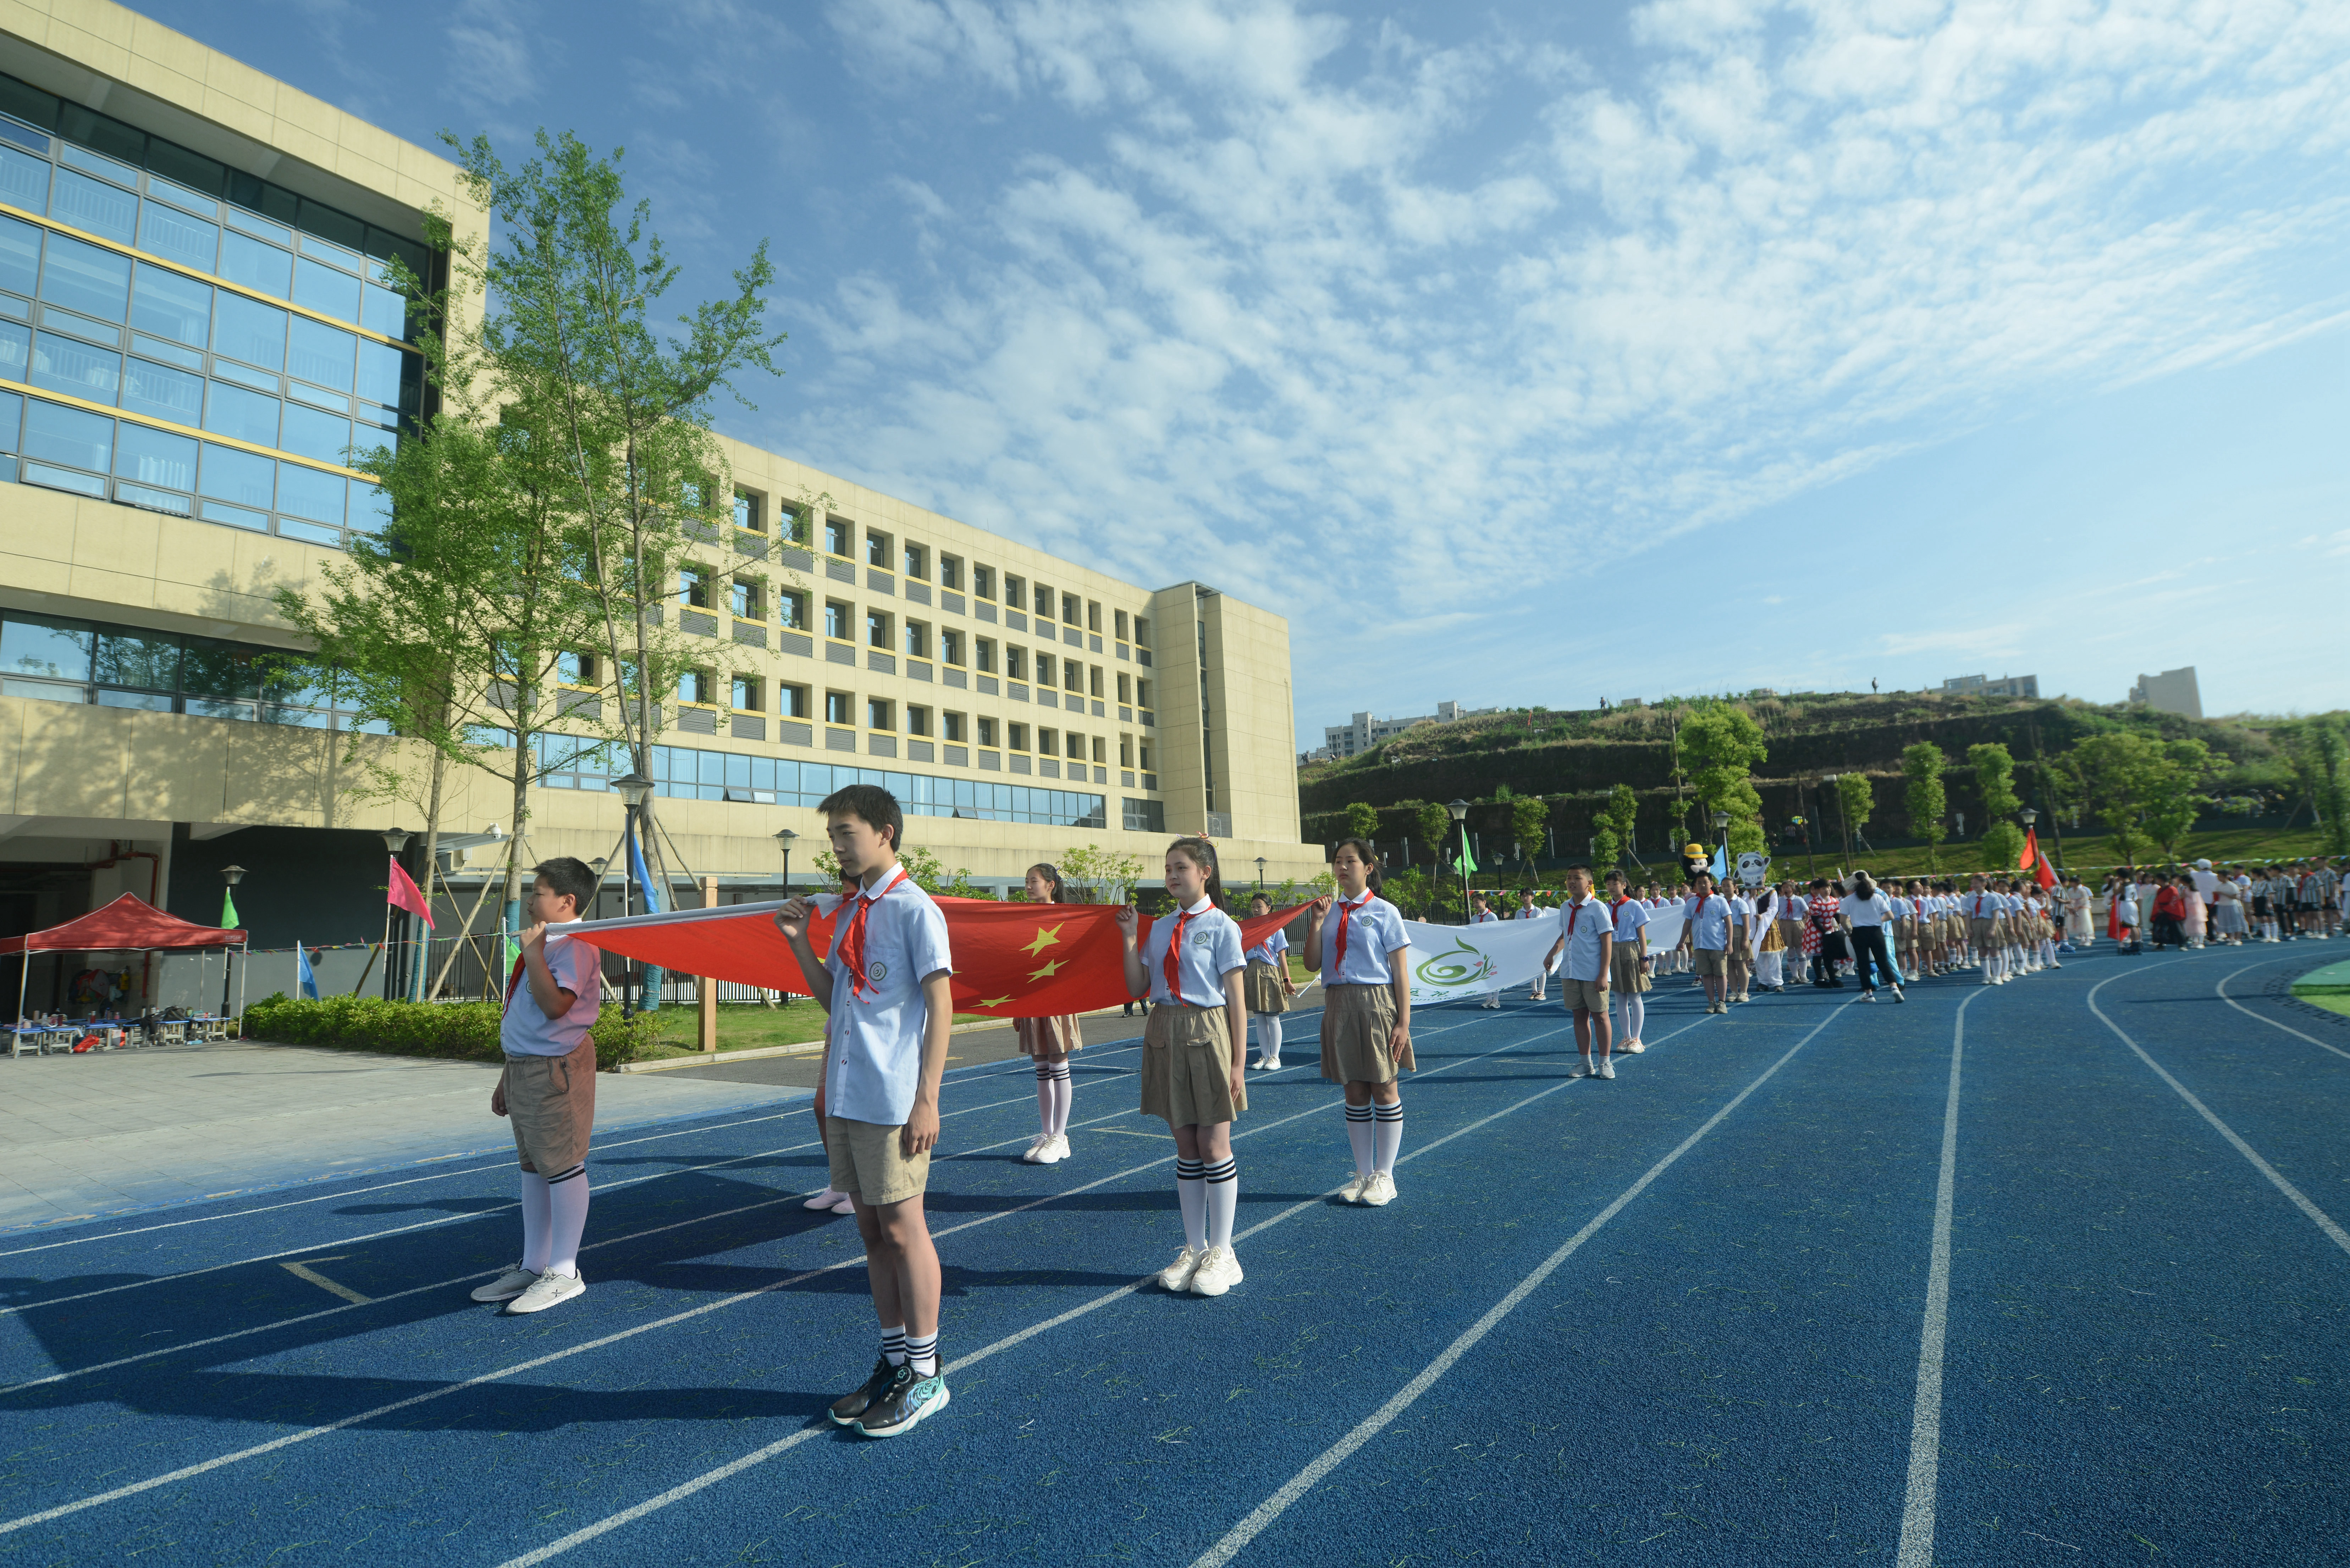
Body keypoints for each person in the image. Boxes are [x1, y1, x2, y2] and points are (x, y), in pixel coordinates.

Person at [774, 785, 956, 1440]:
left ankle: (926, 1373)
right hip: (849, 1092)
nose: (837, 846)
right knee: (872, 1232)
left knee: (905, 1230)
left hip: (893, 1098)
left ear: (884, 832)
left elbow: (942, 1007)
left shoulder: (914, 909)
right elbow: (839, 1000)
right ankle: (894, 1361)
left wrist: (927, 1098)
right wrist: (799, 942)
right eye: (832, 836)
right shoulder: (853, 912)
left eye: (846, 833)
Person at [472, 857, 604, 1315]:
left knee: (562, 1166)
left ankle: (564, 1271)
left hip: (556, 1068)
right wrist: (507, 1075)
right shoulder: (548, 942)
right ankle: (534, 1264)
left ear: (567, 901)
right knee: (533, 1167)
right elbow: (525, 1017)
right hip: (525, 1067)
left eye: (539, 892)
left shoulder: (575, 945)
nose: (530, 900)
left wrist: (532, 953)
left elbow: (554, 1007)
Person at [1118, 837, 1250, 1295]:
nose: (1172, 875)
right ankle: (1194, 1247)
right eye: (1168, 868)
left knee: (1214, 1144)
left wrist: (1238, 1063)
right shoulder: (1160, 928)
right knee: (1187, 1145)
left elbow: (1237, 1001)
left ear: (1205, 872)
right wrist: (1129, 937)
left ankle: (1224, 1252)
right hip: (1165, 1029)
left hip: (1207, 1030)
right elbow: (1137, 986)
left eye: (1181, 867)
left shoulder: (1222, 926)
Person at [1303, 837, 1413, 1206]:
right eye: (1338, 861)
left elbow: (1400, 972)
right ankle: (1363, 1173)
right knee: (1354, 1091)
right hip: (1339, 1002)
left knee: (1383, 1087)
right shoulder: (1329, 912)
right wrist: (1317, 922)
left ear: (1369, 867)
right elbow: (1312, 963)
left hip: (1376, 1002)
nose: (1342, 867)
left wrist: (1403, 1022)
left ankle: (1386, 1174)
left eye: (1350, 860)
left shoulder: (1385, 911)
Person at [800, 874, 867, 1217]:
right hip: (839, 1029)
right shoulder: (844, 918)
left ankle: (859, 1188)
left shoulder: (896, 911)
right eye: (842, 888)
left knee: (857, 1113)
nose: (843, 895)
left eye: (850, 888)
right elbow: (830, 979)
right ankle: (841, 1182)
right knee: (823, 1105)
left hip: (870, 1033)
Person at [1016, 862, 1084, 1165]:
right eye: (1027, 881)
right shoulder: (1023, 919)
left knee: (1059, 1065)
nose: (1029, 886)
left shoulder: (1066, 917)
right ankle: (1046, 1133)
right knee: (1041, 1069)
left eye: (1034, 881)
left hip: (1057, 1001)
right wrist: (1017, 1006)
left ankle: (1060, 1135)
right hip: (1032, 1002)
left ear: (1051, 885)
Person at [1543, 864, 1615, 1076]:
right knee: (1579, 1017)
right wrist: (1552, 953)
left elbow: (1607, 942)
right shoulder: (1565, 907)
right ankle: (1586, 1063)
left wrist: (1603, 974)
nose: (1571, 882)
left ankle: (1605, 1063)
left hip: (1593, 972)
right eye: (1568, 878)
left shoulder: (1598, 908)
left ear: (1589, 883)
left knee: (1600, 1016)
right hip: (1571, 970)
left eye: (1577, 878)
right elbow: (1566, 934)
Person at [1243, 892, 1300, 1066]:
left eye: (1259, 906)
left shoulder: (1276, 929)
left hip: (1269, 973)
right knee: (1259, 1019)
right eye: (1253, 907)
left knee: (1272, 1017)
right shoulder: (1248, 929)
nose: (1255, 910)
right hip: (1251, 973)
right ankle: (1265, 1056)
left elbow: (1282, 958)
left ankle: (1275, 1056)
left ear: (1269, 908)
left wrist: (1286, 980)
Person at [1604, 868, 1651, 1052]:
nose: (1611, 887)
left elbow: (1642, 933)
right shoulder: (1605, 907)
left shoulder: (1634, 905)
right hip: (1612, 951)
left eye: (1615, 884)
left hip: (1630, 950)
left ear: (1624, 885)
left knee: (1635, 995)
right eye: (1608, 884)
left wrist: (1644, 957)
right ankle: (1626, 1037)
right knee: (1619, 996)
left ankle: (1637, 1039)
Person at [1841, 871, 1904, 1002]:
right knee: (1883, 962)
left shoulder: (1848, 900)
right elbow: (1890, 916)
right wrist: (1878, 920)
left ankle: (1869, 994)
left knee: (1863, 964)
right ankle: (1894, 987)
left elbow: (1843, 921)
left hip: (1859, 933)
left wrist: (1850, 933)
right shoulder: (1877, 897)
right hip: (1876, 932)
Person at [1678, 870, 1732, 1013]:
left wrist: (1729, 943)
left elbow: (1729, 922)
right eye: (1699, 883)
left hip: (1718, 944)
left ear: (1711, 884)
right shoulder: (1692, 902)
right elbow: (1688, 923)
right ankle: (1711, 1002)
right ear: (1696, 885)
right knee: (1706, 975)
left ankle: (1722, 1002)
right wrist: (1682, 941)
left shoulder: (1720, 901)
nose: (1702, 885)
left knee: (1720, 974)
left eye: (1705, 882)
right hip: (1700, 945)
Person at [1515, 887, 1552, 1001]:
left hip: (1538, 942)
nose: (1525, 898)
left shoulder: (1538, 911)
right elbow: (1516, 927)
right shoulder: (1519, 913)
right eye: (1523, 896)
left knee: (1541, 965)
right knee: (1531, 966)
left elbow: (1540, 925)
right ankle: (1534, 990)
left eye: (1527, 896)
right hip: (1527, 943)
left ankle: (1542, 991)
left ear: (1532, 897)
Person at [1471, 892, 1503, 1008]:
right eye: (1474, 903)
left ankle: (1496, 999)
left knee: (1494, 973)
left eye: (1477, 902)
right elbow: (1471, 932)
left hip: (1492, 949)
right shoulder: (1474, 918)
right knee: (1485, 973)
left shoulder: (1492, 917)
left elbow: (1496, 932)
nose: (1475, 905)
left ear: (1484, 902)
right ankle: (1489, 998)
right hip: (1481, 950)